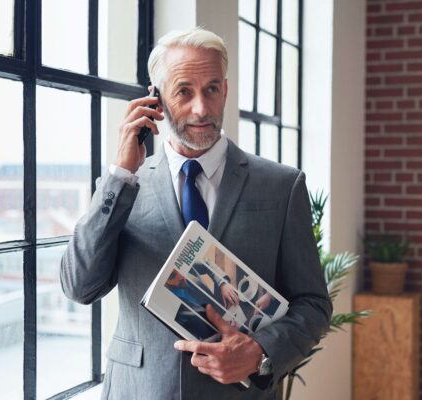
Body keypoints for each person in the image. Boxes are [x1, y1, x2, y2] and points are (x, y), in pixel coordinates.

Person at [60, 27, 332, 400]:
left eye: (212, 89)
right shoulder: (123, 187)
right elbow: (79, 286)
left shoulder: (281, 186)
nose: (201, 108)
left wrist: (259, 352)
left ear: (226, 89)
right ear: (155, 98)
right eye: (184, 91)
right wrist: (121, 174)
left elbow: (314, 305)